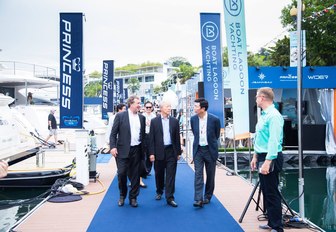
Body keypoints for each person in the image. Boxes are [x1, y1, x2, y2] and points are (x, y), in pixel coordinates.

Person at [250, 87, 284, 232]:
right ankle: (271, 222)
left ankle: (277, 226)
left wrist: (268, 161)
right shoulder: (264, 115)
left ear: (262, 98)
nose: (255, 99)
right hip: (263, 155)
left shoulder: (274, 116)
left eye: (257, 96)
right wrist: (255, 156)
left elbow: (273, 141)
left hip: (271, 156)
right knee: (266, 190)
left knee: (272, 192)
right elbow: (260, 138)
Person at [110, 96, 146, 208]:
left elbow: (143, 135)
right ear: (131, 104)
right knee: (121, 174)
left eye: (140, 103)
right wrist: (112, 147)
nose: (139, 105)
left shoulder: (142, 118)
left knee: (135, 175)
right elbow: (113, 133)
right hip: (122, 150)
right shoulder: (120, 116)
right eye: (138, 103)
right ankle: (122, 196)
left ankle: (133, 198)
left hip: (137, 149)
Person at [149, 100, 181, 207]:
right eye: (167, 106)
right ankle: (159, 191)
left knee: (171, 175)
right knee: (159, 174)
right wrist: (151, 153)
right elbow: (151, 139)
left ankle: (170, 197)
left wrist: (178, 152)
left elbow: (176, 138)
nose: (169, 108)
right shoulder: (154, 121)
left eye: (170, 106)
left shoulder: (175, 121)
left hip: (171, 151)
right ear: (161, 108)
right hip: (159, 151)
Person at [190, 98, 220, 208]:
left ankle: (208, 196)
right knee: (198, 174)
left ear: (203, 108)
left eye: (196, 106)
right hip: (198, 150)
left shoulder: (214, 119)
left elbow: (216, 135)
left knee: (210, 174)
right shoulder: (193, 119)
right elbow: (195, 133)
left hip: (210, 150)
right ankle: (198, 199)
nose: (194, 108)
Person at [143, 101, 156, 176]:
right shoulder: (141, 116)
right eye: (147, 107)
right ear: (144, 108)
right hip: (144, 136)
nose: (148, 108)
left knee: (150, 153)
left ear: (152, 108)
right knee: (144, 153)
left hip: (151, 136)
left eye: (150, 107)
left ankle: (148, 170)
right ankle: (144, 169)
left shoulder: (154, 116)